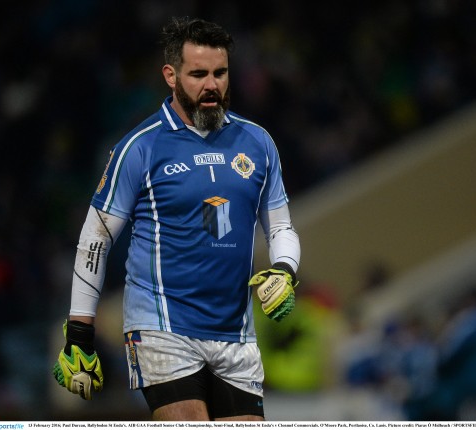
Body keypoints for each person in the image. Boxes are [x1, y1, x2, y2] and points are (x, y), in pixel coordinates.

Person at [52, 16, 301, 421]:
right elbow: (95, 238)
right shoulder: (140, 147)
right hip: (161, 329)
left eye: (220, 73)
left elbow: (281, 227)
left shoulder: (258, 142)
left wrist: (285, 270)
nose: (211, 85)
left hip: (236, 334)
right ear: (171, 75)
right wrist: (80, 331)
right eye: (198, 74)